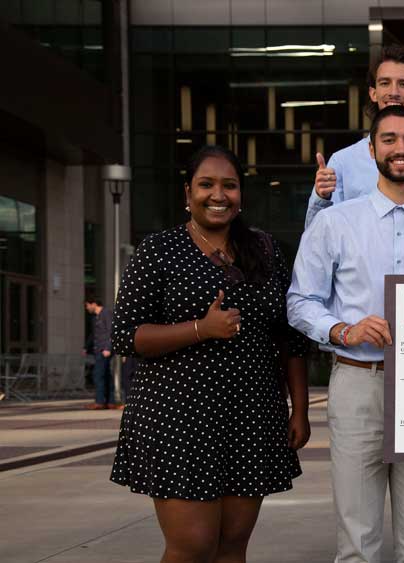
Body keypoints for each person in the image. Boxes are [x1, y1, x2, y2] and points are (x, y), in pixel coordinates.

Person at [287, 105, 404, 563]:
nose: (400, 148)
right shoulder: (335, 223)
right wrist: (343, 329)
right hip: (357, 382)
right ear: (371, 149)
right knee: (357, 542)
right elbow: (299, 300)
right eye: (389, 139)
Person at [110, 145, 311, 563]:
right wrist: (202, 329)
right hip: (179, 418)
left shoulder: (267, 251)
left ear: (242, 194)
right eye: (206, 184)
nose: (218, 195)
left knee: (233, 545)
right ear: (188, 192)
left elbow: (290, 336)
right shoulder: (159, 250)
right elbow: (128, 335)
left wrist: (299, 409)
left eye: (229, 185)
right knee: (192, 546)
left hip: (252, 415)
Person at [305, 43, 404, 229]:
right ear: (373, 93)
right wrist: (321, 196)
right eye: (385, 83)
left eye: (403, 84)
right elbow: (318, 237)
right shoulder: (343, 161)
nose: (393, 92)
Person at [84, 297, 117, 409]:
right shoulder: (96, 317)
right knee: (106, 375)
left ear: (94, 303)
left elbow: (111, 331)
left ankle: (99, 401)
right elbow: (93, 335)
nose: (87, 308)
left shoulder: (106, 313)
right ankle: (110, 401)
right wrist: (86, 347)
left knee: (98, 375)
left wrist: (108, 348)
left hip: (104, 350)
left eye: (87, 305)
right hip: (99, 349)